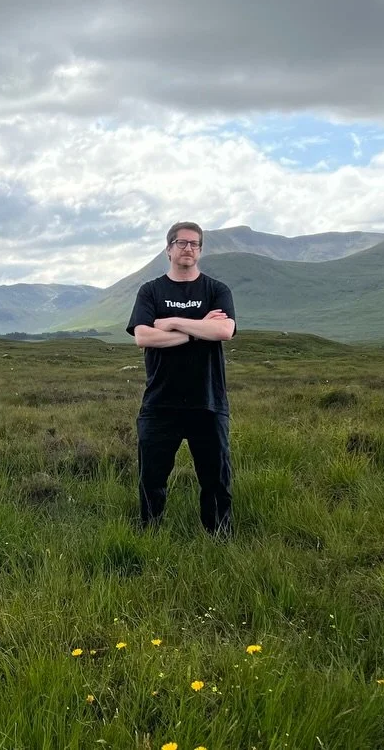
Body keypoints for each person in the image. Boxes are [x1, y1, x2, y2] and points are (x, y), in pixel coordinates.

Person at [125, 221, 237, 535]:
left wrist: (173, 321)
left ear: (200, 250)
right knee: (152, 479)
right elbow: (144, 336)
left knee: (216, 480)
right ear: (169, 248)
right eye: (181, 242)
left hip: (208, 400)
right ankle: (148, 535)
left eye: (194, 244)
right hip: (161, 403)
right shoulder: (151, 291)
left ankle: (220, 540)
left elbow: (223, 330)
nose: (188, 248)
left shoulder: (216, 290)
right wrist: (197, 331)